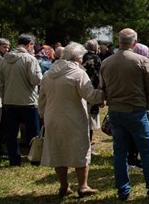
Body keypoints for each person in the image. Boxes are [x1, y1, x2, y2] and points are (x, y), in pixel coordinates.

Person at [100, 28, 149, 202]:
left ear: (119, 42)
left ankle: (122, 191)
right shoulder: (141, 61)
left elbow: (103, 89)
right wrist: (146, 106)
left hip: (115, 112)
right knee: (146, 151)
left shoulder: (107, 62)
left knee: (120, 152)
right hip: (135, 111)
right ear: (135, 42)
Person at [39, 42, 105, 197]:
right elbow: (89, 95)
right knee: (80, 149)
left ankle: (64, 186)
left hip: (52, 117)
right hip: (73, 117)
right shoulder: (77, 73)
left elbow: (41, 99)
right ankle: (83, 186)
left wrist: (43, 115)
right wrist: (103, 95)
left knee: (58, 150)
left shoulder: (48, 74)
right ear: (77, 58)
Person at [0, 34, 42, 166]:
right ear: (29, 44)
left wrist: (4, 97)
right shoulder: (30, 59)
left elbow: (0, 83)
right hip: (27, 101)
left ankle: (14, 160)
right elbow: (36, 80)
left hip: (9, 101)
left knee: (11, 134)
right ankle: (35, 159)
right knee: (34, 133)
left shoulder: (5, 60)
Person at [82, 40, 103, 153]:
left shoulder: (81, 57)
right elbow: (100, 77)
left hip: (81, 91)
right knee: (90, 121)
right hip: (93, 92)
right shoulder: (96, 59)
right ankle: (88, 146)